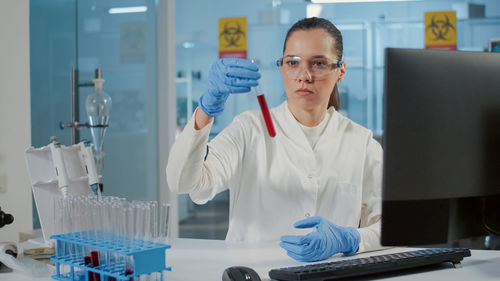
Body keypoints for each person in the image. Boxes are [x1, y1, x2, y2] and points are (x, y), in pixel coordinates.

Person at [167, 17, 383, 262]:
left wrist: (351, 240)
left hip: (330, 274)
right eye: (293, 62)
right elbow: (183, 182)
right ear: (282, 67)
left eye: (319, 63)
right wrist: (206, 110)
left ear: (340, 71)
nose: (304, 75)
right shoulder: (248, 129)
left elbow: (389, 227)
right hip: (251, 274)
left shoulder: (362, 144)